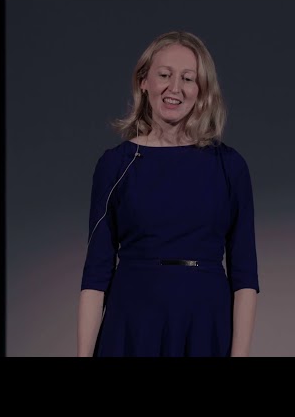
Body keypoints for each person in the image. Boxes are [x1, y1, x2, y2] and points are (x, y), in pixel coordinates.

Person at [77, 30, 259, 357]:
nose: (175, 87)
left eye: (188, 78)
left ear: (202, 90)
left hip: (205, 325)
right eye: (164, 75)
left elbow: (245, 276)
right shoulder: (116, 165)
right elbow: (96, 274)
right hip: (132, 324)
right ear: (143, 82)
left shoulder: (229, 167)